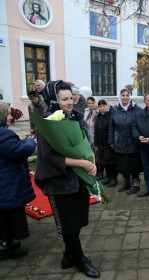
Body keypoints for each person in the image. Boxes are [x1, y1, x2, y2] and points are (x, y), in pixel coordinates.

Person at [35, 81, 100, 278]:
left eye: (71, 98)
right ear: (54, 100)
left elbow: (87, 145)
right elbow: (49, 157)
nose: (70, 102)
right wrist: (81, 164)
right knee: (67, 223)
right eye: (64, 99)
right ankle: (81, 259)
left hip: (78, 181)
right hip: (59, 182)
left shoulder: (77, 117)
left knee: (77, 220)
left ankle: (68, 254)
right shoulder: (48, 122)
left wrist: (92, 162)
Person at [0, 101, 36, 260]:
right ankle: (6, 247)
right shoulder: (3, 134)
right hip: (6, 182)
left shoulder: (4, 133)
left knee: (5, 214)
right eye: (7, 113)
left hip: (5, 180)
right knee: (7, 214)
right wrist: (29, 141)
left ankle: (8, 241)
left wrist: (16, 140)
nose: (10, 116)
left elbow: (9, 147)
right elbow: (18, 152)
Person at [109, 88, 142, 195]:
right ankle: (126, 182)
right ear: (120, 97)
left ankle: (135, 184)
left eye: (127, 95)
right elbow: (111, 126)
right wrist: (111, 141)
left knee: (134, 163)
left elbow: (140, 125)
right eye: (123, 95)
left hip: (133, 140)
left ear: (130, 97)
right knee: (123, 162)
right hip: (120, 141)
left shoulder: (136, 109)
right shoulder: (114, 109)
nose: (125, 97)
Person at [94, 99, 118, 188]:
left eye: (104, 106)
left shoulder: (110, 116)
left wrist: (112, 141)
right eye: (100, 106)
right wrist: (96, 144)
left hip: (109, 143)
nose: (102, 108)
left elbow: (113, 130)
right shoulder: (98, 117)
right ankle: (108, 177)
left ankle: (113, 178)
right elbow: (96, 131)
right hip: (101, 144)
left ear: (107, 106)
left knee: (111, 161)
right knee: (104, 161)